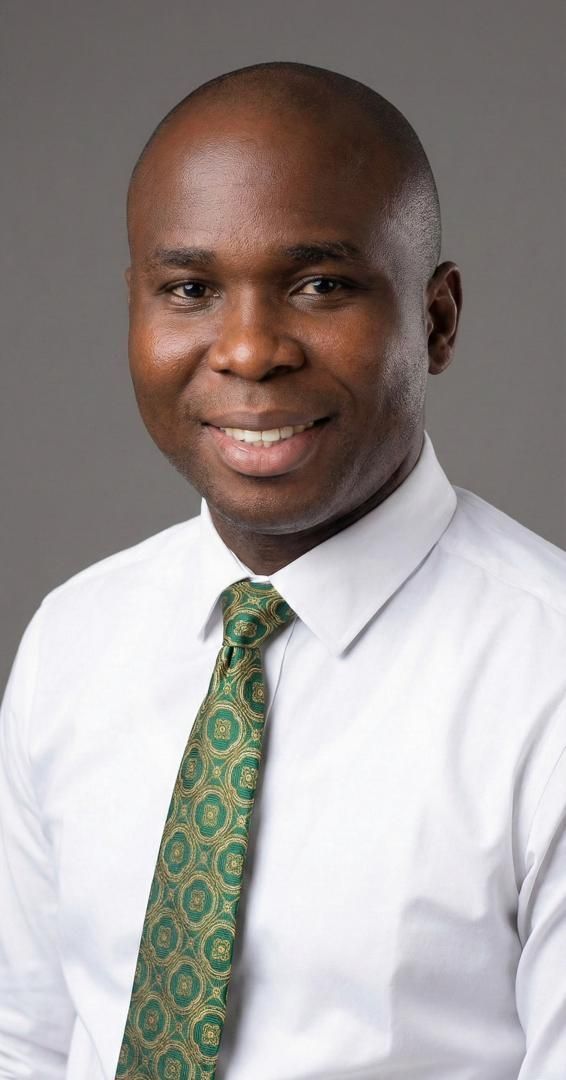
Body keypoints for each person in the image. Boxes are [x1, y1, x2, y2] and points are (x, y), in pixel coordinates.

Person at [1, 60, 565, 1080]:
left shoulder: (544, 677)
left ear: (434, 320)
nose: (250, 350)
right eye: (190, 289)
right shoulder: (72, 641)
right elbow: (27, 1038)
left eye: (318, 285)